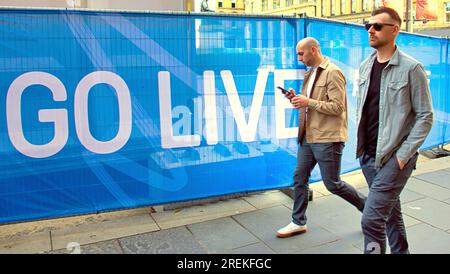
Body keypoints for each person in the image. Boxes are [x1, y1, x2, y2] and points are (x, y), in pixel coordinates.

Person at [357, 7, 433, 254]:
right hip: (368, 157)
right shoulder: (365, 66)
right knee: (390, 215)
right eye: (369, 24)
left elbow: (425, 116)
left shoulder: (412, 68)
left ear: (395, 30)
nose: (371, 29)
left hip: (394, 158)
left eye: (378, 26)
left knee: (371, 220)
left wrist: (403, 156)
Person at [277, 37, 367, 238]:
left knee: (332, 184)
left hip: (328, 138)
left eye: (301, 53)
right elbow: (311, 103)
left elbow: (338, 107)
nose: (299, 58)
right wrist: (296, 98)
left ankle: (370, 210)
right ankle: (298, 221)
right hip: (308, 137)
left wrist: (308, 101)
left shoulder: (333, 73)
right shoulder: (310, 73)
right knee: (299, 178)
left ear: (314, 50)